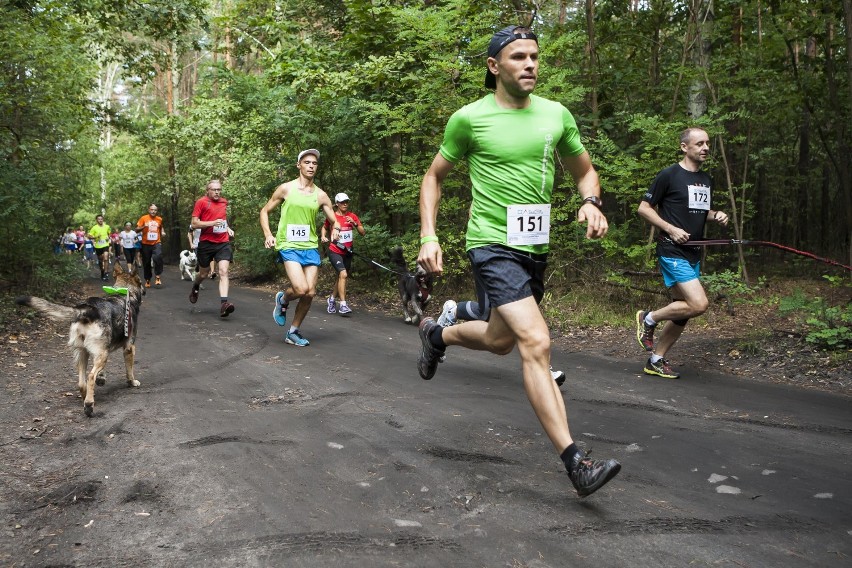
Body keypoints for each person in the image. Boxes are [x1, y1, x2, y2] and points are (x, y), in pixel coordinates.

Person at [416, 25, 620, 498]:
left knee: (500, 339)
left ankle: (437, 334)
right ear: (494, 67)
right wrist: (429, 234)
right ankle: (576, 462)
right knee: (536, 341)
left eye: (533, 56)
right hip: (490, 242)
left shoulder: (556, 115)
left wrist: (591, 201)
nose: (530, 64)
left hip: (535, 248)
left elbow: (585, 170)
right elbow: (433, 178)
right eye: (517, 57)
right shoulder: (469, 119)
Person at [635, 127, 729, 379]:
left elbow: (699, 211)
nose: (705, 148)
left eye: (707, 143)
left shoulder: (706, 179)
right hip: (671, 249)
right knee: (699, 304)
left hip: (693, 252)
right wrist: (670, 228)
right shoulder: (669, 175)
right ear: (684, 147)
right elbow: (644, 208)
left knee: (683, 309)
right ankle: (649, 318)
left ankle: (656, 359)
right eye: (699, 143)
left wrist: (715, 215)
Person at [260, 149, 340, 346]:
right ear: (299, 165)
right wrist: (269, 235)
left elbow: (334, 219)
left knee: (310, 293)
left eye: (314, 163)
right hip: (288, 245)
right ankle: (283, 300)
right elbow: (265, 211)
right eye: (307, 162)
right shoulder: (286, 189)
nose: (311, 166)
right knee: (301, 288)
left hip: (310, 246)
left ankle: (293, 331)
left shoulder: (321, 195)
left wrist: (335, 230)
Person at [436, 299, 566, 385]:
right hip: (496, 259)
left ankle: (541, 368)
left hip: (529, 260)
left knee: (525, 313)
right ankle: (450, 316)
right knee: (489, 313)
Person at [188, 179, 236, 317]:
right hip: (206, 243)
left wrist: (228, 228)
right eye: (214, 190)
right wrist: (212, 223)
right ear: (207, 190)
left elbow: (222, 219)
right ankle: (196, 286)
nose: (217, 192)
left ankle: (224, 304)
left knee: (223, 271)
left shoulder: (223, 202)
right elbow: (194, 224)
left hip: (222, 242)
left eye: (219, 189)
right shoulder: (201, 202)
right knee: (203, 274)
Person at [320, 192, 366, 316]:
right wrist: (323, 236)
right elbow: (324, 227)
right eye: (342, 202)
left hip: (348, 252)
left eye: (346, 202)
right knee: (343, 274)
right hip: (335, 250)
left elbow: (363, 232)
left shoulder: (352, 216)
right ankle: (343, 305)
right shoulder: (332, 217)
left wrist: (355, 224)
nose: (345, 204)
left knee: (341, 277)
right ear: (337, 204)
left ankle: (331, 299)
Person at [136, 203, 164, 288]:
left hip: (156, 242)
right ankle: (148, 279)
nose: (153, 211)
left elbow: (161, 227)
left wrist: (162, 232)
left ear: (157, 211)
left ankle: (158, 276)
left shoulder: (159, 219)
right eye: (152, 210)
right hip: (145, 243)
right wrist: (144, 226)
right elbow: (136, 229)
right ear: (149, 210)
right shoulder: (143, 218)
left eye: (155, 210)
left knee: (158, 257)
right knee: (147, 262)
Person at [87, 215, 112, 281]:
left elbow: (109, 233)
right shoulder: (94, 228)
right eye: (99, 219)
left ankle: (106, 273)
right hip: (98, 246)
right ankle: (102, 271)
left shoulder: (107, 226)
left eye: (101, 219)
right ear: (97, 220)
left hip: (105, 244)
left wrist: (108, 237)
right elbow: (89, 236)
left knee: (106, 258)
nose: (100, 220)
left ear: (103, 219)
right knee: (101, 260)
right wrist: (95, 237)